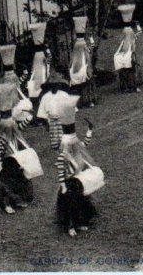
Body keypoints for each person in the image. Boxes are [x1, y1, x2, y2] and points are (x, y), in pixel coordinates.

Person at [55, 97, 97, 238]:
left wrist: (89, 131)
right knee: (70, 206)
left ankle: (80, 222)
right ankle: (70, 226)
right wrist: (63, 185)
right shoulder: (65, 148)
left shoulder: (72, 143)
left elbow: (83, 145)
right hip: (69, 182)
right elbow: (61, 167)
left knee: (80, 202)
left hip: (78, 180)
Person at [0, 83, 34, 214]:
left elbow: (18, 130)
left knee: (18, 180)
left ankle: (18, 200)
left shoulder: (10, 126)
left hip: (16, 159)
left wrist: (28, 119)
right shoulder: (3, 136)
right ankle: (6, 204)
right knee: (6, 185)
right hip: (6, 163)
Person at [37, 69, 74, 150]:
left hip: (63, 122)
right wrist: (47, 124)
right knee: (55, 146)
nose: (54, 87)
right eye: (52, 85)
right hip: (52, 124)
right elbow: (43, 114)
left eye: (56, 84)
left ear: (59, 85)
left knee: (65, 145)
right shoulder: (45, 97)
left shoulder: (64, 95)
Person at [69, 16, 96, 109]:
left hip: (75, 69)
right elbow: (90, 51)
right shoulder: (83, 44)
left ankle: (78, 102)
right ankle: (88, 101)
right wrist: (91, 37)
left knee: (77, 87)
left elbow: (72, 58)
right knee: (86, 85)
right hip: (83, 69)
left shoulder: (76, 45)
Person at [114, 4, 143, 93]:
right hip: (130, 51)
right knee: (132, 69)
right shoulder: (130, 31)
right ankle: (133, 85)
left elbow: (120, 41)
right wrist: (138, 26)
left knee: (124, 70)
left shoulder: (124, 31)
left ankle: (125, 86)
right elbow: (136, 36)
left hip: (123, 51)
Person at [25, 22, 51, 112]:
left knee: (39, 92)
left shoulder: (38, 53)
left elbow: (48, 62)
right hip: (38, 73)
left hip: (40, 73)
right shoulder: (39, 52)